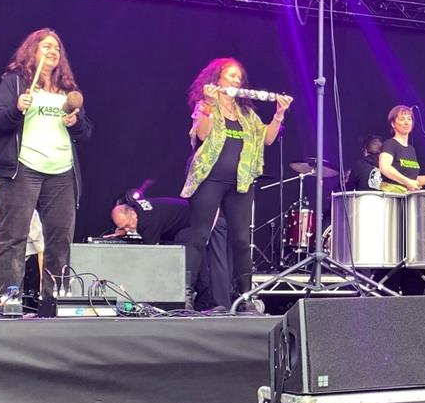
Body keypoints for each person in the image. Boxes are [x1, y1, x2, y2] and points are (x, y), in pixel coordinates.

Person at [0, 28, 93, 311]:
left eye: (57, 47)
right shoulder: (16, 83)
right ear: (32, 50)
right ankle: (5, 301)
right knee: (14, 236)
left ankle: (54, 301)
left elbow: (86, 131)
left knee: (60, 238)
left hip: (61, 171)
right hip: (24, 168)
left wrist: (76, 123)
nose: (53, 51)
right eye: (46, 46)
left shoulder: (67, 91)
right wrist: (16, 109)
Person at [180, 58, 292, 308]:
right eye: (230, 75)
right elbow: (203, 134)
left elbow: (268, 139)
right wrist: (209, 104)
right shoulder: (205, 105)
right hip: (210, 178)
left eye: (238, 77)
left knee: (241, 239)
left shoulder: (246, 114)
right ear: (217, 79)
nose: (236, 80)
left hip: (241, 182)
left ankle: (245, 297)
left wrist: (279, 114)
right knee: (199, 236)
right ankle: (185, 294)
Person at [111, 196, 231, 310]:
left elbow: (151, 256)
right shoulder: (134, 208)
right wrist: (124, 230)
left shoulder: (147, 222)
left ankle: (188, 297)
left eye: (127, 225)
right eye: (122, 227)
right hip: (191, 222)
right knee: (197, 261)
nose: (126, 230)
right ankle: (202, 302)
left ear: (133, 214)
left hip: (199, 223)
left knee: (187, 258)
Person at [377, 105, 425, 193]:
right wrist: (407, 182)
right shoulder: (389, 144)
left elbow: (413, 180)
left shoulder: (411, 149)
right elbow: (384, 167)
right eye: (402, 119)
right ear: (393, 124)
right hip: (392, 198)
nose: (406, 122)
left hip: (409, 199)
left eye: (409, 119)